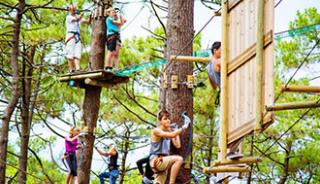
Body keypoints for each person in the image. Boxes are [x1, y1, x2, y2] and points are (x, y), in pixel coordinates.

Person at [207, 41, 242, 160]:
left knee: (228, 122)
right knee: (240, 121)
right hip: (229, 94)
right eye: (222, 50)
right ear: (215, 50)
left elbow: (214, 86)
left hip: (223, 93)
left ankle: (228, 148)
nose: (223, 52)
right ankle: (231, 150)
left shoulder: (208, 67)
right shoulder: (219, 62)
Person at [149, 110, 190, 184]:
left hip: (162, 163)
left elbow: (178, 145)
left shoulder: (168, 131)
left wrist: (175, 131)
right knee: (179, 159)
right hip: (157, 160)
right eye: (165, 119)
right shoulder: (156, 131)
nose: (168, 121)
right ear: (160, 121)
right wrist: (184, 127)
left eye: (168, 118)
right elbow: (172, 135)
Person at [65, 5, 91, 73]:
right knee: (70, 53)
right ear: (70, 10)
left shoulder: (77, 17)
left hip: (77, 37)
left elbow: (88, 22)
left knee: (77, 53)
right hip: (71, 35)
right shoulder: (69, 17)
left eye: (75, 9)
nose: (74, 11)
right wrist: (81, 15)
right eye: (73, 9)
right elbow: (77, 19)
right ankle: (71, 69)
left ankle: (78, 69)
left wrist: (91, 15)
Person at [105, 7, 126, 71]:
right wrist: (119, 18)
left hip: (116, 36)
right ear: (109, 13)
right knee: (110, 52)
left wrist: (120, 15)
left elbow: (122, 23)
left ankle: (115, 67)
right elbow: (119, 23)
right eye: (113, 12)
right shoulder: (109, 19)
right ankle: (107, 66)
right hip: (111, 36)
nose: (114, 13)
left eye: (114, 12)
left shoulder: (114, 19)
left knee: (116, 53)